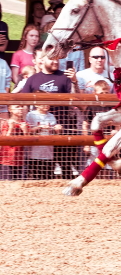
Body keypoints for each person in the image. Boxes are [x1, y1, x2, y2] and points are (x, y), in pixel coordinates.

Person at [21, 52, 80, 180]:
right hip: (40, 131)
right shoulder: (33, 79)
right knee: (40, 170)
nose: (56, 62)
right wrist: (26, 124)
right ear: (42, 60)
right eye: (52, 59)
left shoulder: (64, 77)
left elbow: (76, 100)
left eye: (58, 59)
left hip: (62, 128)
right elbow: (23, 102)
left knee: (66, 167)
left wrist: (74, 81)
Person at [26, 102, 62, 179]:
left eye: (48, 103)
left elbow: (55, 133)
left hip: (48, 152)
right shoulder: (31, 115)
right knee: (34, 177)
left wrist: (57, 129)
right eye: (43, 103)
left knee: (48, 176)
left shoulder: (51, 116)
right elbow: (27, 130)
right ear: (36, 104)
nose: (47, 105)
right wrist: (39, 128)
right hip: (34, 153)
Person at [0, 104, 28, 180]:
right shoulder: (6, 123)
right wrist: (11, 128)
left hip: (20, 160)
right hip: (6, 160)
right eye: (17, 107)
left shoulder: (25, 123)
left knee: (18, 183)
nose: (21, 109)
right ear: (10, 109)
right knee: (6, 183)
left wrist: (25, 131)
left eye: (21, 106)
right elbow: (5, 140)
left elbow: (27, 142)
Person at [0, 56, 11, 121]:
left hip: (2, 104)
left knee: (4, 127)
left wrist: (5, 96)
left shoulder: (3, 63)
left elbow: (8, 82)